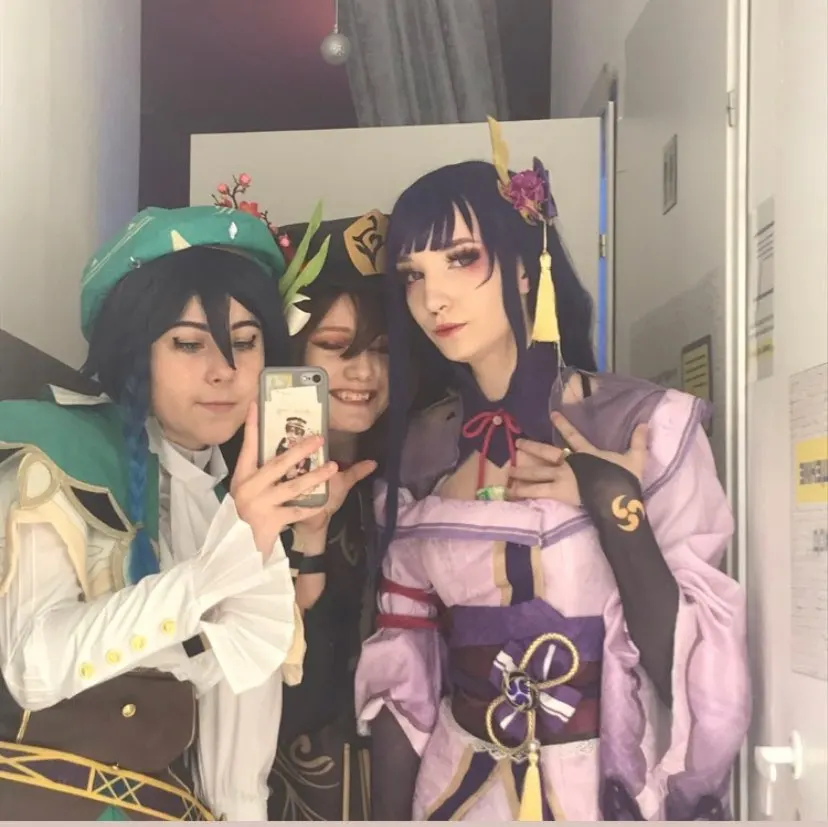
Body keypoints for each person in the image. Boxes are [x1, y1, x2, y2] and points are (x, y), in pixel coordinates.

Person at [354, 120, 751, 821]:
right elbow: (403, 663)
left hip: (602, 787)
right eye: (413, 275)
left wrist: (610, 498)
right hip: (454, 793)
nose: (432, 298)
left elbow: (698, 680)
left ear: (523, 262)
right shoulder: (416, 450)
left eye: (460, 259)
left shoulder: (643, 425)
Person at [0, 205, 339, 820]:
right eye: (188, 343)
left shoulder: (229, 497)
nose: (225, 370)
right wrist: (221, 563)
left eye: (245, 341)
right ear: (135, 350)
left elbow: (240, 756)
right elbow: (34, 668)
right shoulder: (63, 456)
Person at [266, 210, 392, 821]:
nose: (364, 371)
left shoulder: (413, 478)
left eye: (382, 350)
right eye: (337, 347)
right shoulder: (246, 488)